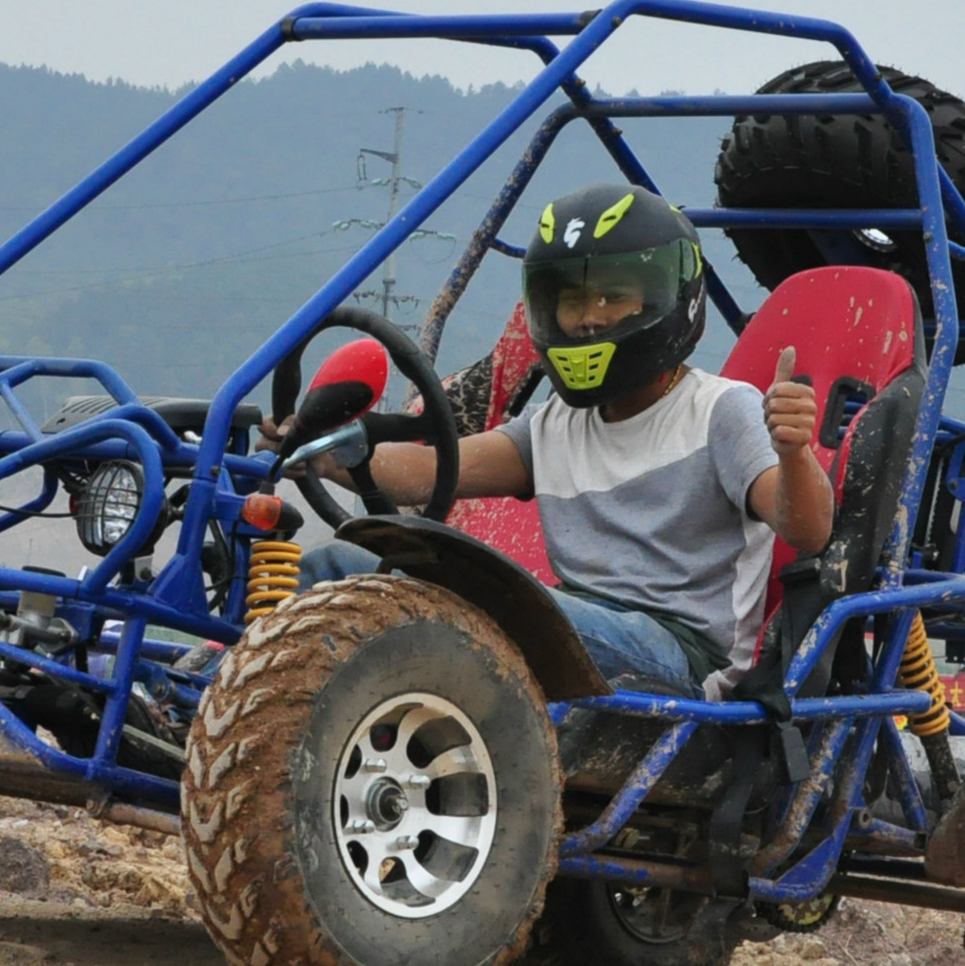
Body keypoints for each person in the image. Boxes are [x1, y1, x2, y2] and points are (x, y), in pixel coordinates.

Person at [274, 182, 835, 695]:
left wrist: (792, 453)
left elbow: (807, 529)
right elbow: (431, 470)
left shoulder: (722, 410)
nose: (588, 319)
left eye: (612, 296)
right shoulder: (556, 422)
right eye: (572, 300)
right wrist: (326, 452)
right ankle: (222, 698)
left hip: (680, 655)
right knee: (334, 565)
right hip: (571, 625)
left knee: (475, 598)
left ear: (667, 298)